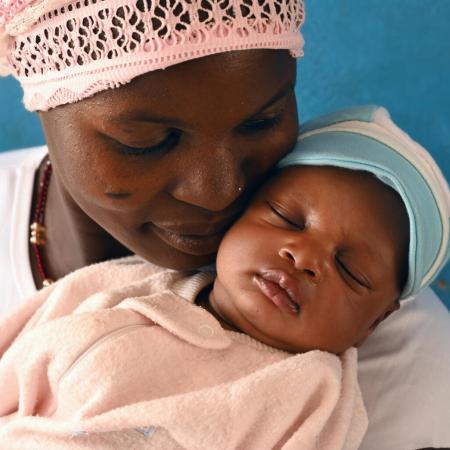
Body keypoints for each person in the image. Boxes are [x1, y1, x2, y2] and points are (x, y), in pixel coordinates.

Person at [0, 0, 449, 447]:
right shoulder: (118, 292)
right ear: (43, 104)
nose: (217, 192)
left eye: (262, 121)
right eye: (147, 142)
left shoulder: (373, 376)